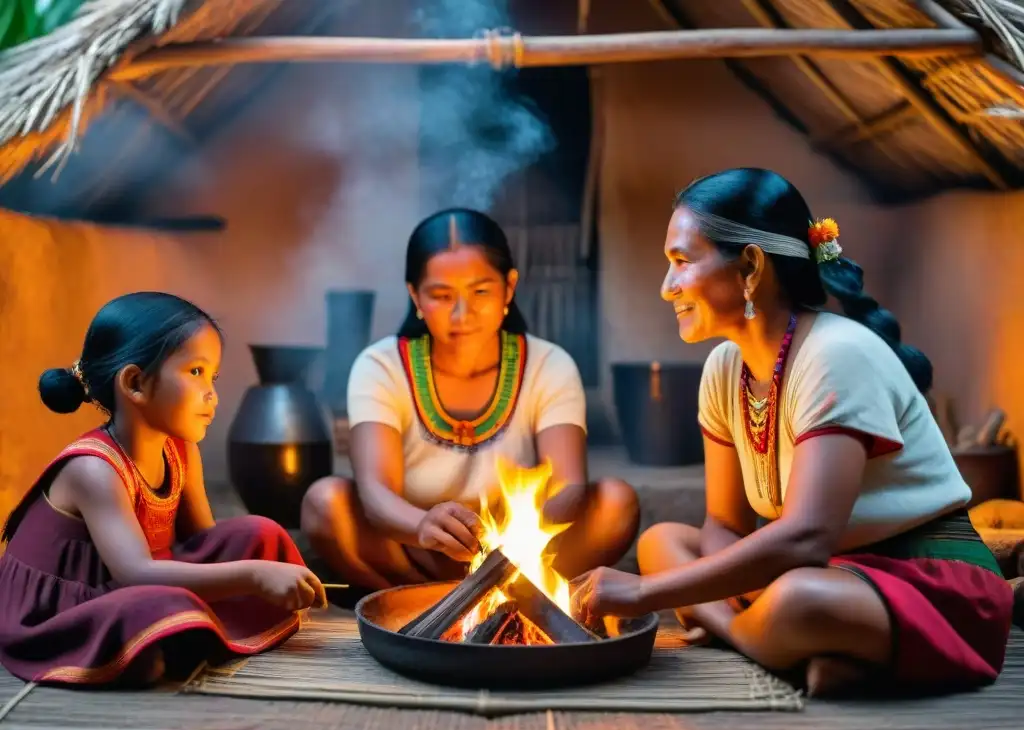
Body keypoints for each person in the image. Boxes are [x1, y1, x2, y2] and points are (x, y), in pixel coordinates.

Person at [570, 168, 1013, 697]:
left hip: (929, 584)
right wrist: (712, 578)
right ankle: (802, 652)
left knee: (799, 600)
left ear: (751, 267)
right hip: (828, 569)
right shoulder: (723, 369)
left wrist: (646, 593)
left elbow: (807, 536)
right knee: (662, 542)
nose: (667, 288)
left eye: (682, 262)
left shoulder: (835, 356)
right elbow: (722, 523)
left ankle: (747, 635)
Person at [302, 208, 639, 589]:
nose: (462, 313)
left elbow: (568, 486)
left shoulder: (549, 365)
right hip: (412, 552)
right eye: (442, 295)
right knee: (324, 502)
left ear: (509, 287)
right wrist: (423, 526)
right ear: (415, 295)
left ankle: (509, 597)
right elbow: (375, 492)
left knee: (616, 502)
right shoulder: (382, 366)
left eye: (481, 291)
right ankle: (422, 603)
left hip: (523, 557)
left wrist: (509, 542)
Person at [0, 292, 326, 686]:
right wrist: (254, 578)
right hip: (70, 607)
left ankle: (180, 632)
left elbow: (205, 543)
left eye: (213, 376)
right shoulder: (94, 469)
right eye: (195, 373)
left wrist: (258, 562)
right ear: (136, 383)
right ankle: (167, 635)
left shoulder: (181, 449)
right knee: (160, 604)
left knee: (260, 535)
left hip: (141, 584)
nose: (211, 393)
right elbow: (135, 573)